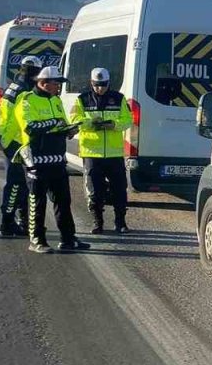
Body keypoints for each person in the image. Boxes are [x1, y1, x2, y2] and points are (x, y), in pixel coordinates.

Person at [14, 66, 90, 254]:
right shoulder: (26, 100)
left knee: (63, 201)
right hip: (36, 160)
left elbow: (61, 123)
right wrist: (54, 124)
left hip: (57, 158)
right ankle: (37, 240)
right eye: (56, 84)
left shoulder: (56, 100)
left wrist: (70, 130)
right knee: (37, 202)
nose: (59, 87)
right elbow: (31, 127)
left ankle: (68, 238)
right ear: (43, 83)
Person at [68, 68, 133, 234]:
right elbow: (74, 119)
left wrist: (113, 124)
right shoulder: (82, 100)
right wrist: (91, 123)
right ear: (91, 83)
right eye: (97, 85)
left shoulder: (118, 99)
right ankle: (98, 222)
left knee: (119, 190)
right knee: (95, 191)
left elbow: (127, 120)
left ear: (109, 83)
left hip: (114, 154)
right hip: (92, 153)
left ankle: (121, 222)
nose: (100, 88)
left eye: (103, 85)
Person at [0, 56, 43, 236]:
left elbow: (1, 114)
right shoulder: (25, 92)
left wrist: (1, 139)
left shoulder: (13, 88)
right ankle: (7, 223)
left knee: (23, 184)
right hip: (18, 144)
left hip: (12, 142)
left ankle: (23, 221)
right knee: (16, 184)